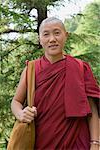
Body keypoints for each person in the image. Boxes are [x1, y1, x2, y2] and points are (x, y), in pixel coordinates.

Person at [11, 17, 100, 150]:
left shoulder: (81, 68)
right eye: (46, 34)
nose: (52, 39)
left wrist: (95, 143)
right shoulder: (31, 69)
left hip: (76, 141)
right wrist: (20, 113)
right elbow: (16, 101)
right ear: (40, 39)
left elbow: (92, 111)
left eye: (57, 33)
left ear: (66, 35)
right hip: (41, 141)